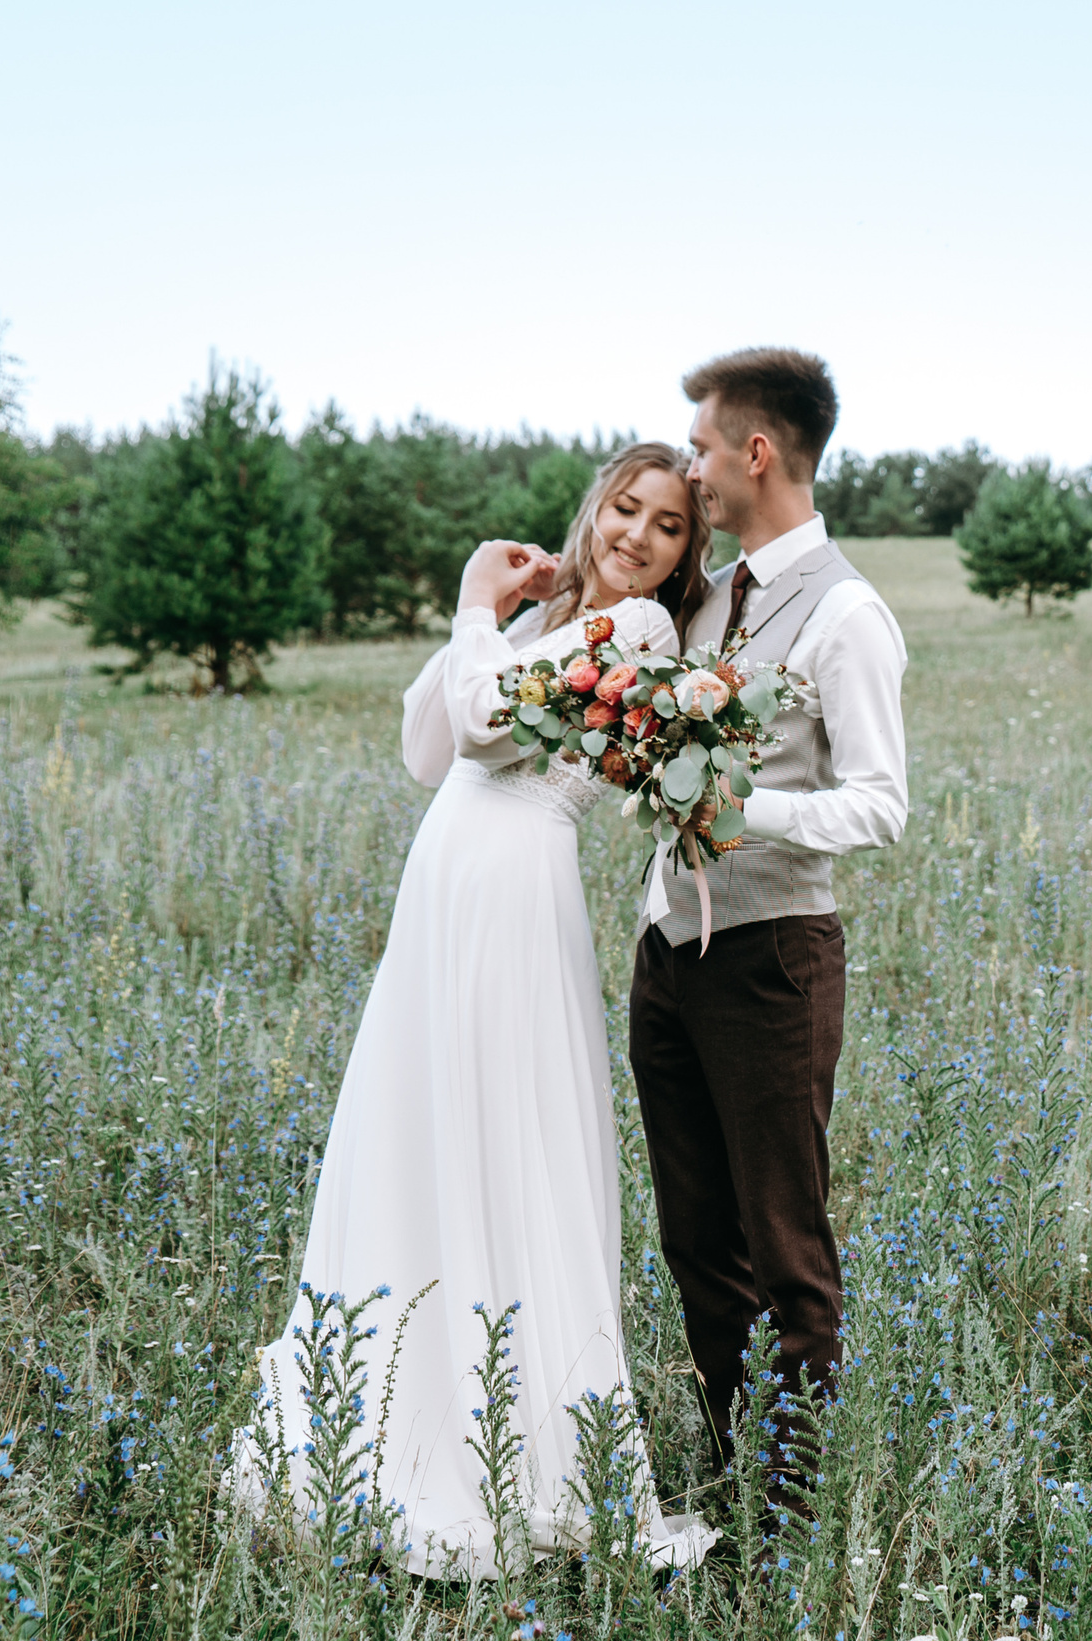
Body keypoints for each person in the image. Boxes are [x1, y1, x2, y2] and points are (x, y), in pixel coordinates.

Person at [236, 443, 716, 1577]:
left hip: (512, 894)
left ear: (686, 555)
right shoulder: (550, 624)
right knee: (415, 1133)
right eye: (625, 508)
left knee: (504, 1144)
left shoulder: (638, 637)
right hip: (444, 889)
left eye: (668, 527)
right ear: (596, 503)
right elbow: (426, 745)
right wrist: (493, 617)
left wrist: (466, 607)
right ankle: (391, 1422)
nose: (636, 536)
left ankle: (518, 1457)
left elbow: (494, 730)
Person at [629, 349, 909, 1505]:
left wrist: (744, 811)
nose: (690, 468)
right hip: (669, 957)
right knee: (695, 1240)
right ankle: (728, 1466)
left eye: (698, 447)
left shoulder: (845, 612)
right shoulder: (702, 597)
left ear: (755, 453)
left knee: (783, 1247)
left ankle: (786, 1514)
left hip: (773, 963)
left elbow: (881, 804)